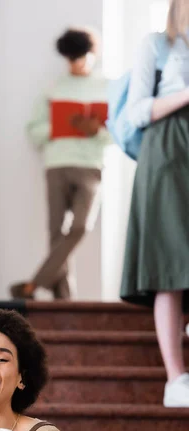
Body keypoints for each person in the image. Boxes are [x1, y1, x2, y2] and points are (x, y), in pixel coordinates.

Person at [120, 0, 189, 408]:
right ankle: (175, 378)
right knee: (171, 266)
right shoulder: (157, 46)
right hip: (167, 155)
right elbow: (137, 111)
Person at [10, 27, 111, 300]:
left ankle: (33, 284)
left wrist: (96, 130)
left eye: (80, 57)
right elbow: (33, 130)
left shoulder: (106, 87)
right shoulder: (54, 88)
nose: (76, 63)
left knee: (80, 226)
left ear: (91, 54)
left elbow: (120, 132)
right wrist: (58, 126)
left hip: (90, 165)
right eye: (70, 58)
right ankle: (64, 299)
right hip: (56, 164)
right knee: (56, 231)